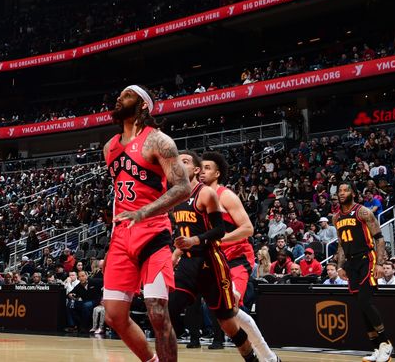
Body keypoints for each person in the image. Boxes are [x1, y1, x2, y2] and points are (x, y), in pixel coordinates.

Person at [102, 85, 192, 362]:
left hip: (153, 232)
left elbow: (183, 188)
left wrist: (142, 213)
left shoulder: (159, 141)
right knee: (114, 315)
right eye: (119, 94)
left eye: (127, 95)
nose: (119, 98)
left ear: (143, 105)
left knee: (156, 309)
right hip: (121, 236)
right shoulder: (109, 147)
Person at [168, 151, 259, 362]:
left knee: (229, 319)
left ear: (197, 170)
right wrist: (177, 251)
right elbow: (186, 231)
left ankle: (256, 357)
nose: (180, 165)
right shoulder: (177, 195)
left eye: (186, 161)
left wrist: (199, 241)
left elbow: (239, 229)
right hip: (191, 261)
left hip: (223, 260)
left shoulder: (216, 194)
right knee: (169, 309)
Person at [202, 151, 279, 361]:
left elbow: (248, 228)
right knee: (226, 312)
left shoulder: (225, 195)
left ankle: (268, 357)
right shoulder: (199, 198)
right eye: (201, 168)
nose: (202, 172)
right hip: (217, 261)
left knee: (232, 304)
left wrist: (220, 240)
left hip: (238, 258)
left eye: (207, 168)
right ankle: (268, 357)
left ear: (217, 173)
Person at [333, 183, 393, 362]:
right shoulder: (336, 218)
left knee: (365, 301)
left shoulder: (363, 212)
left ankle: (386, 343)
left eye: (345, 190)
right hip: (351, 264)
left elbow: (379, 238)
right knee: (361, 306)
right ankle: (376, 348)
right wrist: (340, 266)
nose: (342, 193)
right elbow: (342, 244)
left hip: (367, 258)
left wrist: (380, 263)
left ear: (353, 193)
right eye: (340, 191)